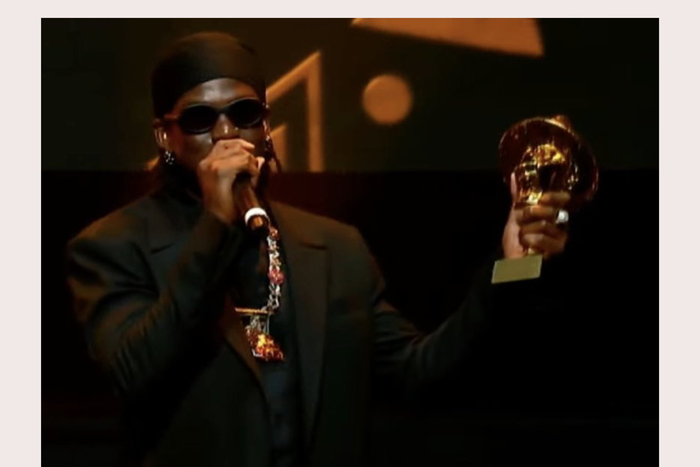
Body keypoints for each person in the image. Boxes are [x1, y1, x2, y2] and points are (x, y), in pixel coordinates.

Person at [66, 31, 571, 467]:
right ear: (165, 137)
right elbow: (136, 372)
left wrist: (515, 267)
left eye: (244, 113)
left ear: (265, 127)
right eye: (200, 119)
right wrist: (215, 224)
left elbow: (421, 373)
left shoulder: (333, 246)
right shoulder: (114, 246)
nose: (226, 133)